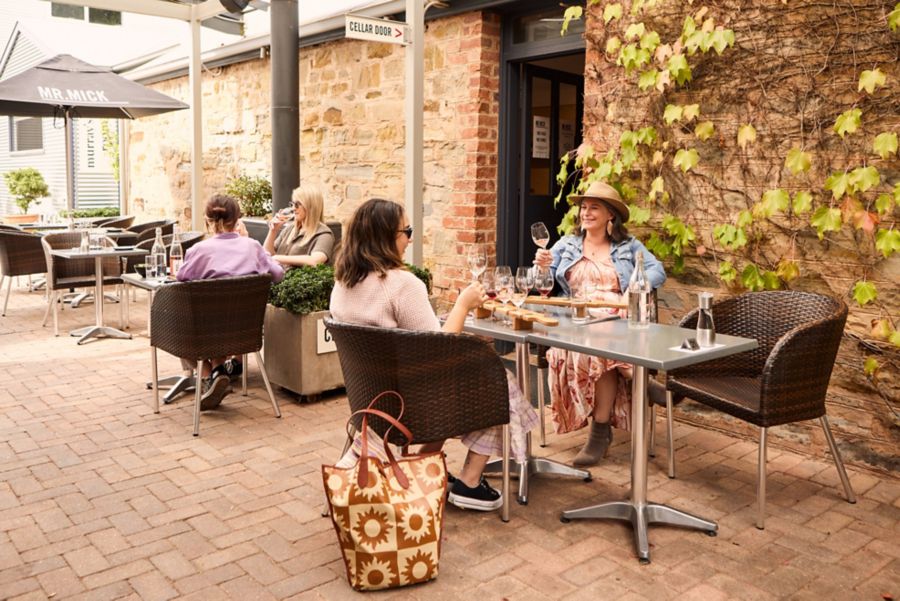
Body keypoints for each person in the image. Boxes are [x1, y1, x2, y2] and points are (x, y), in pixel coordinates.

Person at [330, 198, 538, 512]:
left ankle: (423, 466)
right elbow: (437, 347)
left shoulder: (342, 284)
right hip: (412, 411)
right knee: (498, 381)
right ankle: (469, 482)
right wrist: (463, 304)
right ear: (386, 236)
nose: (410, 238)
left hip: (370, 406)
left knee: (473, 375)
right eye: (407, 230)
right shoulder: (401, 285)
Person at [534, 180, 666, 467]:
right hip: (578, 317)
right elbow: (540, 282)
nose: (586, 213)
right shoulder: (567, 244)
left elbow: (657, 271)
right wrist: (541, 265)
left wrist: (636, 285)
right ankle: (639, 379)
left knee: (599, 344)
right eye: (584, 208)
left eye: (595, 207)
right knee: (588, 346)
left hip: (618, 316)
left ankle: (599, 432)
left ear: (611, 215)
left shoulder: (629, 246)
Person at [176, 194, 285, 410]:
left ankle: (211, 374)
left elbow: (180, 278)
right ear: (237, 220)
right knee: (221, 318)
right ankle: (218, 372)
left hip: (207, 334)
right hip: (246, 334)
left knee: (178, 325)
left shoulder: (198, 251)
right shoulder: (253, 248)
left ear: (208, 221)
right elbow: (278, 274)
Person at [264, 185, 335, 268]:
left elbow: (315, 261)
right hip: (277, 278)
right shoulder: (290, 229)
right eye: (293, 204)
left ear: (310, 206)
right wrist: (273, 231)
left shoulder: (324, 234)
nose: (294, 208)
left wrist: (278, 258)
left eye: (297, 204)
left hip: (297, 280)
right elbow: (267, 254)